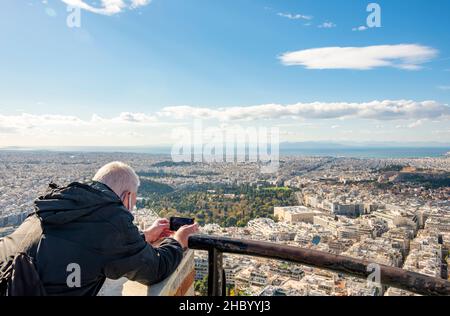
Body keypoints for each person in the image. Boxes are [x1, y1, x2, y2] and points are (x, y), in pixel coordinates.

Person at [0, 161, 199, 296]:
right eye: (133, 203)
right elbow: (156, 269)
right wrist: (177, 240)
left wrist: (144, 236)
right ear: (127, 197)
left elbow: (86, 242)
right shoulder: (111, 218)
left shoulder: (57, 203)